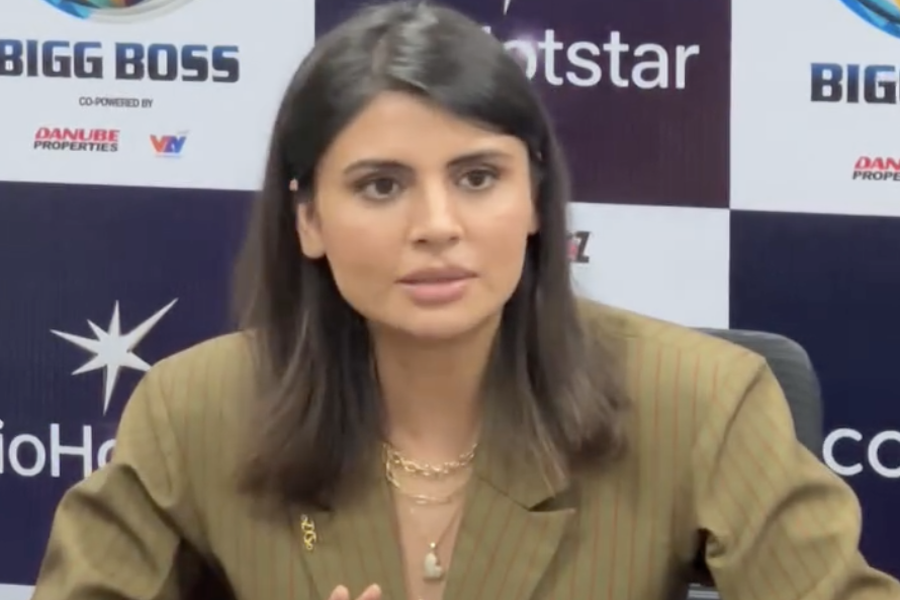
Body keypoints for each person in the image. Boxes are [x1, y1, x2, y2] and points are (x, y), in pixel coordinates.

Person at [31, 2, 900, 599]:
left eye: (478, 178)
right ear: (309, 218)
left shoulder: (703, 402)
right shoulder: (194, 410)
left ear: (534, 201)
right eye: (381, 186)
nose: (437, 226)